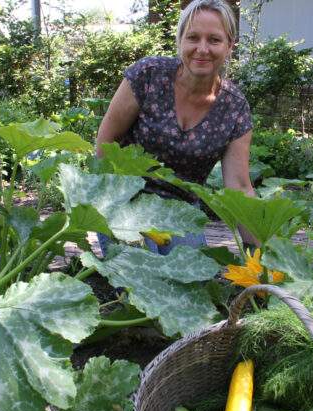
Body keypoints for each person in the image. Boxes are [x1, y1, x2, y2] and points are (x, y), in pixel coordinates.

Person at [95, 0, 257, 256]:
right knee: (138, 274)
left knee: (190, 282)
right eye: (193, 37)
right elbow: (106, 143)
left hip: (179, 210)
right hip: (124, 198)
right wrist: (115, 205)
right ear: (180, 40)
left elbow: (240, 187)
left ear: (229, 46)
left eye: (214, 40)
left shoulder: (234, 107)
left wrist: (263, 259)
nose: (202, 49)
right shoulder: (147, 75)